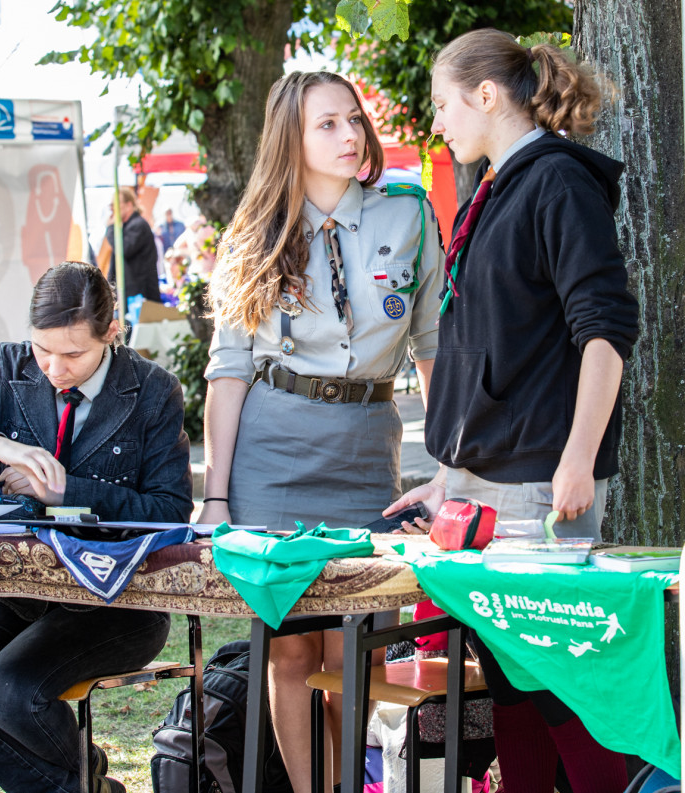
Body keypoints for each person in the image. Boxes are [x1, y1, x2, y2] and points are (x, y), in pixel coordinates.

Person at [386, 28, 639, 793]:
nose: (438, 124)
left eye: (442, 104)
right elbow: (488, 353)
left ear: (487, 95)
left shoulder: (557, 181)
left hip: (536, 486)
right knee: (507, 677)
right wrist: (447, 477)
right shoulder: (494, 187)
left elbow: (607, 331)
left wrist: (576, 459)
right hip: (477, 485)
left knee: (553, 676)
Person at [198, 71, 445, 792]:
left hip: (368, 449)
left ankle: (348, 784)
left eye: (353, 121)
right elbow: (229, 371)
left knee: (362, 648)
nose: (348, 136)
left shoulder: (407, 213)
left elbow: (432, 345)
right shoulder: (253, 230)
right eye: (326, 126)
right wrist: (215, 497)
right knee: (292, 652)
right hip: (272, 457)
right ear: (292, 141)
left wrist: (449, 464)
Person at [0, 261, 193, 793]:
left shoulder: (153, 390)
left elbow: (171, 512)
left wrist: (68, 493)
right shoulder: (8, 367)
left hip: (120, 600)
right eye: (43, 349)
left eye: (73, 353)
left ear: (111, 333)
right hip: (21, 589)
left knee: (11, 690)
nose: (54, 367)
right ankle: (89, 788)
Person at [106, 186, 161, 312]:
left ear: (129, 205)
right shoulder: (128, 226)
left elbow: (124, 249)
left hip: (139, 295)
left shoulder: (138, 225)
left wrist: (111, 228)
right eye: (112, 205)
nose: (113, 209)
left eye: (116, 204)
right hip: (132, 294)